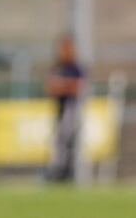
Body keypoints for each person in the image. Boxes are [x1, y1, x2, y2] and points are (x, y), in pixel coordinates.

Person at [44, 34, 85, 182]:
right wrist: (64, 85)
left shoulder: (75, 68)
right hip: (59, 109)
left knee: (69, 141)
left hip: (71, 109)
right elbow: (51, 87)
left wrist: (63, 85)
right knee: (59, 142)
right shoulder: (58, 67)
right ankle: (58, 172)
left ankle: (68, 172)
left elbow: (77, 87)